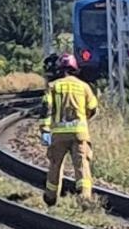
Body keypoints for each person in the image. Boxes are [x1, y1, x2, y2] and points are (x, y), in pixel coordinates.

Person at [40, 52, 98, 206]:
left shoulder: (53, 86)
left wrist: (45, 133)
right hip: (79, 133)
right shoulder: (84, 87)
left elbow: (46, 109)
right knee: (82, 165)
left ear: (60, 68)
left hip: (58, 134)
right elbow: (93, 107)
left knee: (55, 165)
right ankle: (85, 198)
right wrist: (83, 118)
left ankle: (51, 197)